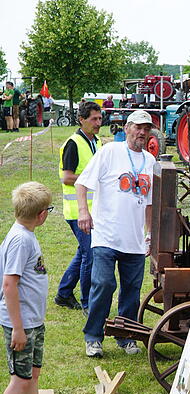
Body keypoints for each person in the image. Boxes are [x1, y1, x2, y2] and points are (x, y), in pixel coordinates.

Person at [75, 109, 155, 357]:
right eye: (138, 127)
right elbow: (81, 183)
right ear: (127, 128)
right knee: (103, 283)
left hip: (134, 239)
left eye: (146, 128)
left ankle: (126, 336)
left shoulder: (151, 161)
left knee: (132, 290)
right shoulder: (110, 151)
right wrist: (83, 212)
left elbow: (150, 203)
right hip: (106, 234)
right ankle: (93, 336)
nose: (142, 132)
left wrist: (149, 233)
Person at [0, 182, 68, 394]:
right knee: (20, 378)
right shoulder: (20, 240)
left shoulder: (25, 233)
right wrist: (18, 328)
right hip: (22, 324)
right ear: (42, 214)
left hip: (32, 321)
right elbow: (9, 285)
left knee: (32, 375)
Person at [54, 101, 102, 314]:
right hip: (77, 211)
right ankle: (87, 303)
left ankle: (64, 294)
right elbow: (67, 178)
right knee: (89, 256)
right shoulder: (73, 143)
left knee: (82, 253)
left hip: (94, 209)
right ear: (81, 120)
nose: (98, 123)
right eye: (94, 119)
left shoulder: (97, 141)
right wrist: (93, 178)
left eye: (100, 119)